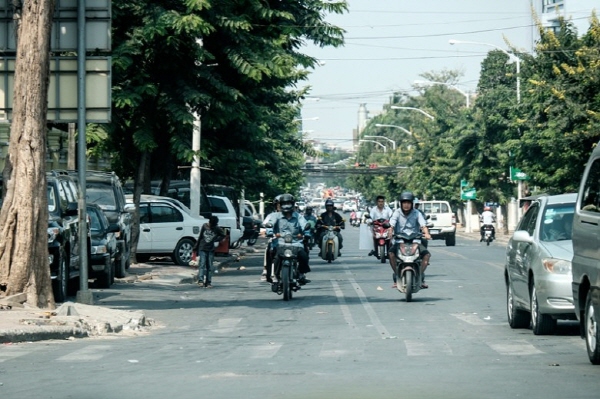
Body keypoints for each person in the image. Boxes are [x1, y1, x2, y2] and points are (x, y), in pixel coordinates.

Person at [387, 191, 432, 289]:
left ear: (412, 204)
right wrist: (390, 231)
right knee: (391, 254)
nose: (406, 205)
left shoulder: (417, 213)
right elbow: (392, 224)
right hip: (400, 241)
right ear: (401, 203)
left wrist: (427, 233)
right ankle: (397, 276)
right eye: (404, 203)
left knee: (426, 255)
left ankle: (420, 276)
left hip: (415, 241)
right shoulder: (397, 213)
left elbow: (423, 225)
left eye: (408, 203)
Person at [272, 194, 311, 288]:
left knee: (304, 255)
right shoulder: (276, 216)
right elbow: (270, 223)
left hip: (296, 243)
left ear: (293, 204)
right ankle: (275, 277)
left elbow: (304, 225)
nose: (286, 205)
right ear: (280, 205)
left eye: (288, 203)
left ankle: (301, 274)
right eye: (284, 203)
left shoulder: (299, 217)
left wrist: (306, 233)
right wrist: (270, 230)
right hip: (280, 242)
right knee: (276, 257)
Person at [193, 216, 226, 288]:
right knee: (202, 264)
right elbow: (200, 236)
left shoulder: (217, 228)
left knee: (209, 266)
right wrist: (196, 247)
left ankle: (208, 282)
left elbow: (223, 235)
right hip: (202, 248)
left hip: (211, 249)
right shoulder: (204, 226)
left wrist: (216, 239)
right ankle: (200, 281)